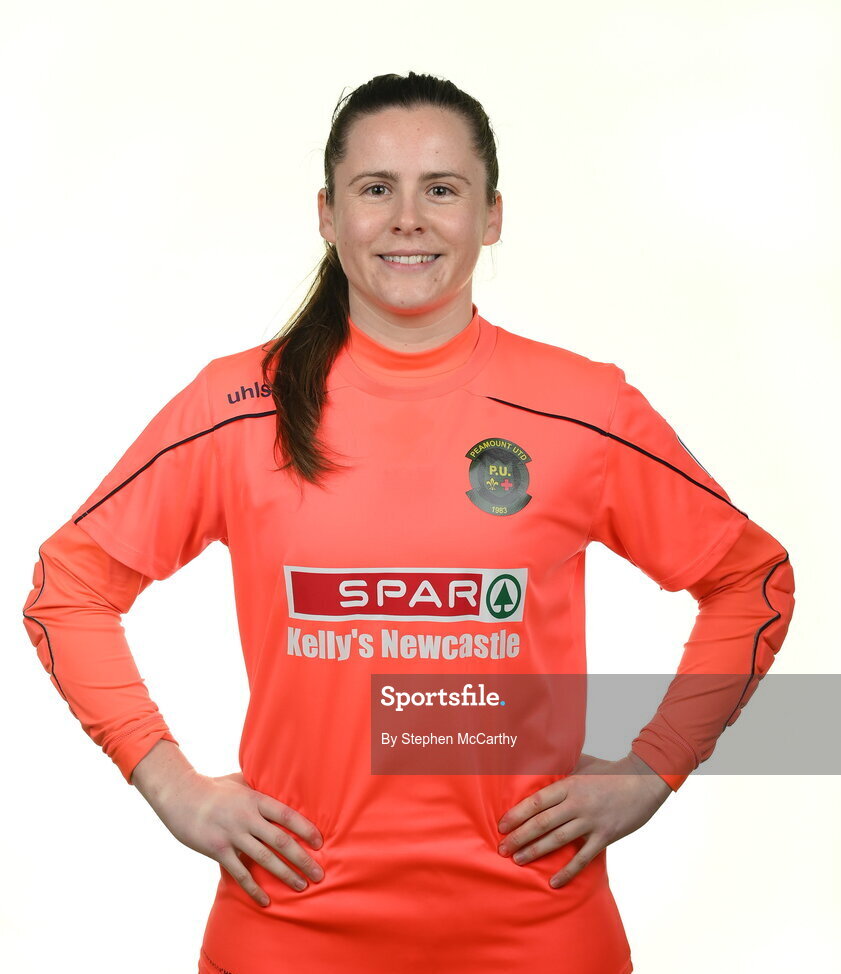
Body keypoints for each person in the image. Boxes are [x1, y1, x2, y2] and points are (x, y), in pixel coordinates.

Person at [21, 71, 795, 974]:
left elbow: (751, 581)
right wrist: (170, 785)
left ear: (491, 216)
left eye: (442, 189)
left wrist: (652, 767)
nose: (407, 219)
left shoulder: (584, 406)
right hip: (288, 926)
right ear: (328, 214)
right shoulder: (238, 406)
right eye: (375, 188)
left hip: (537, 930)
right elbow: (69, 588)